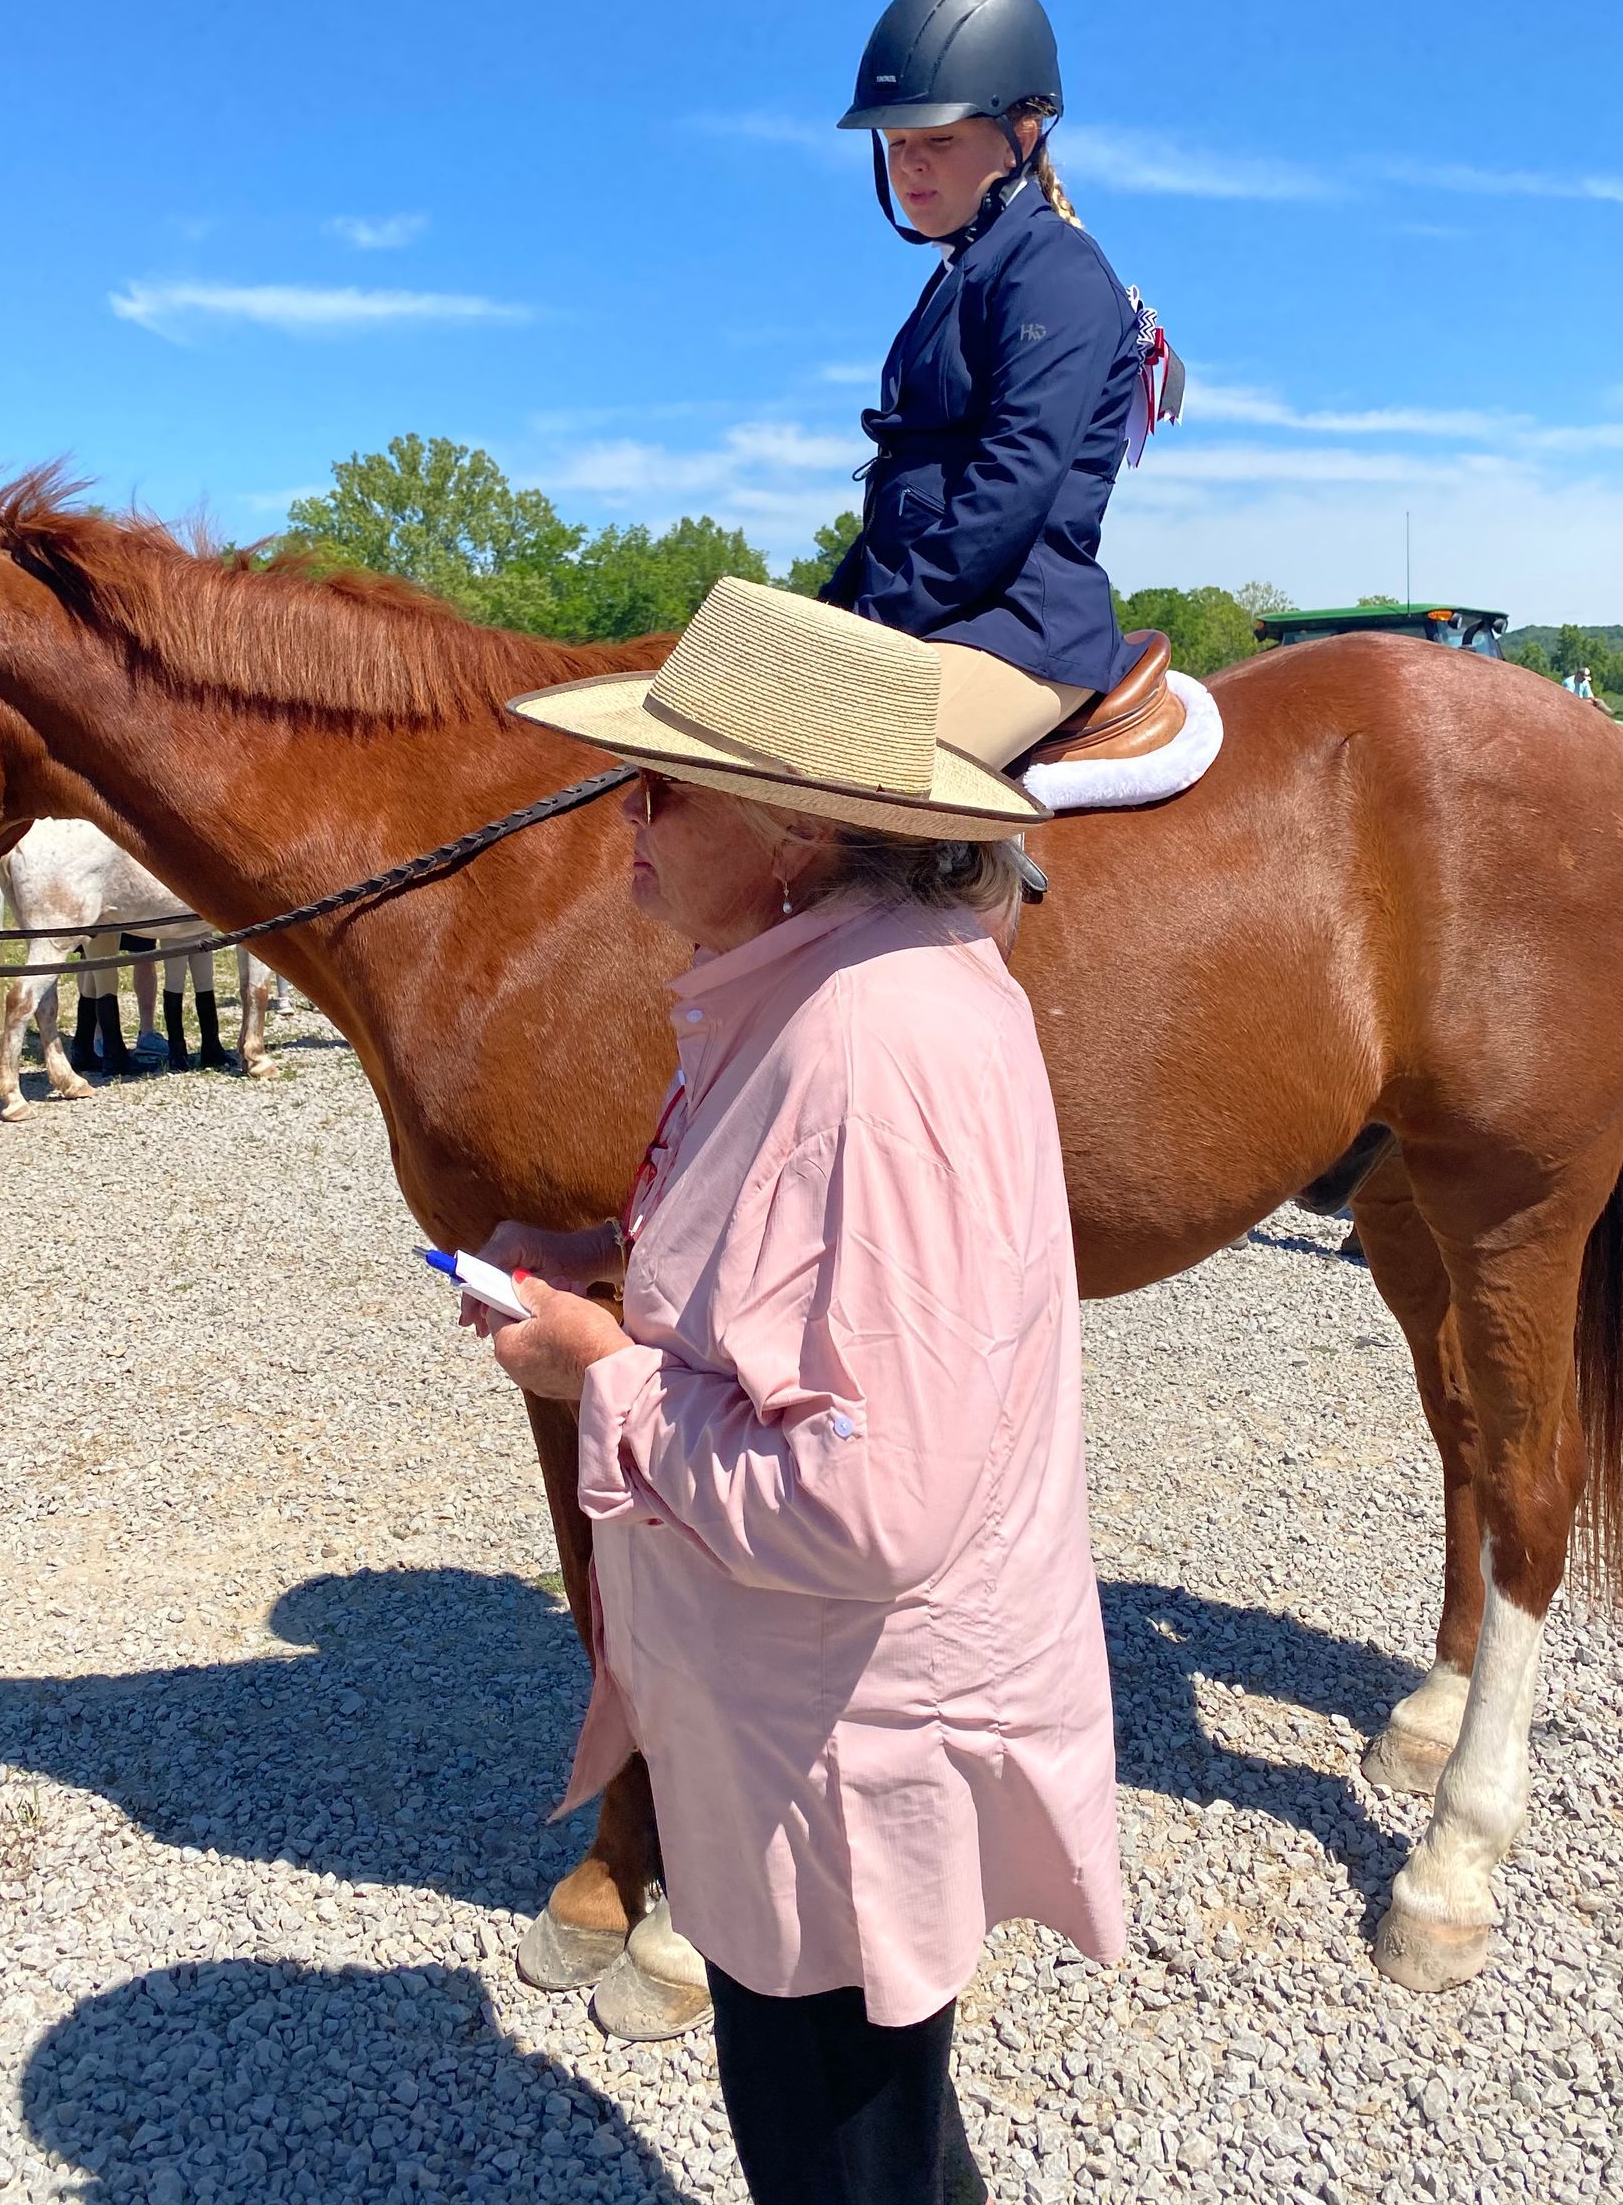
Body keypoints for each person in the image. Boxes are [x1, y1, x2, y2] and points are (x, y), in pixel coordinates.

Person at [468, 578, 1123, 2205]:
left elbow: (870, 1500)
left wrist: (599, 1373)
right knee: (883, 2137)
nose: (630, 814)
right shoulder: (830, 988)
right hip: (814, 1730)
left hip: (833, 1760)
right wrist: (607, 1253)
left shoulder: (860, 1047)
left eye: (667, 784)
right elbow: (800, 1280)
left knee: (840, 2154)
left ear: (793, 836)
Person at [820, 0, 1181, 770]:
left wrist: (881, 620)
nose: (911, 166)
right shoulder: (965, 272)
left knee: (850, 780)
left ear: (1024, 127)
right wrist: (831, 616)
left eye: (939, 140)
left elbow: (1012, 483)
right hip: (938, 614)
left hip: (1017, 630)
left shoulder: (1054, 271)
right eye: (896, 144)